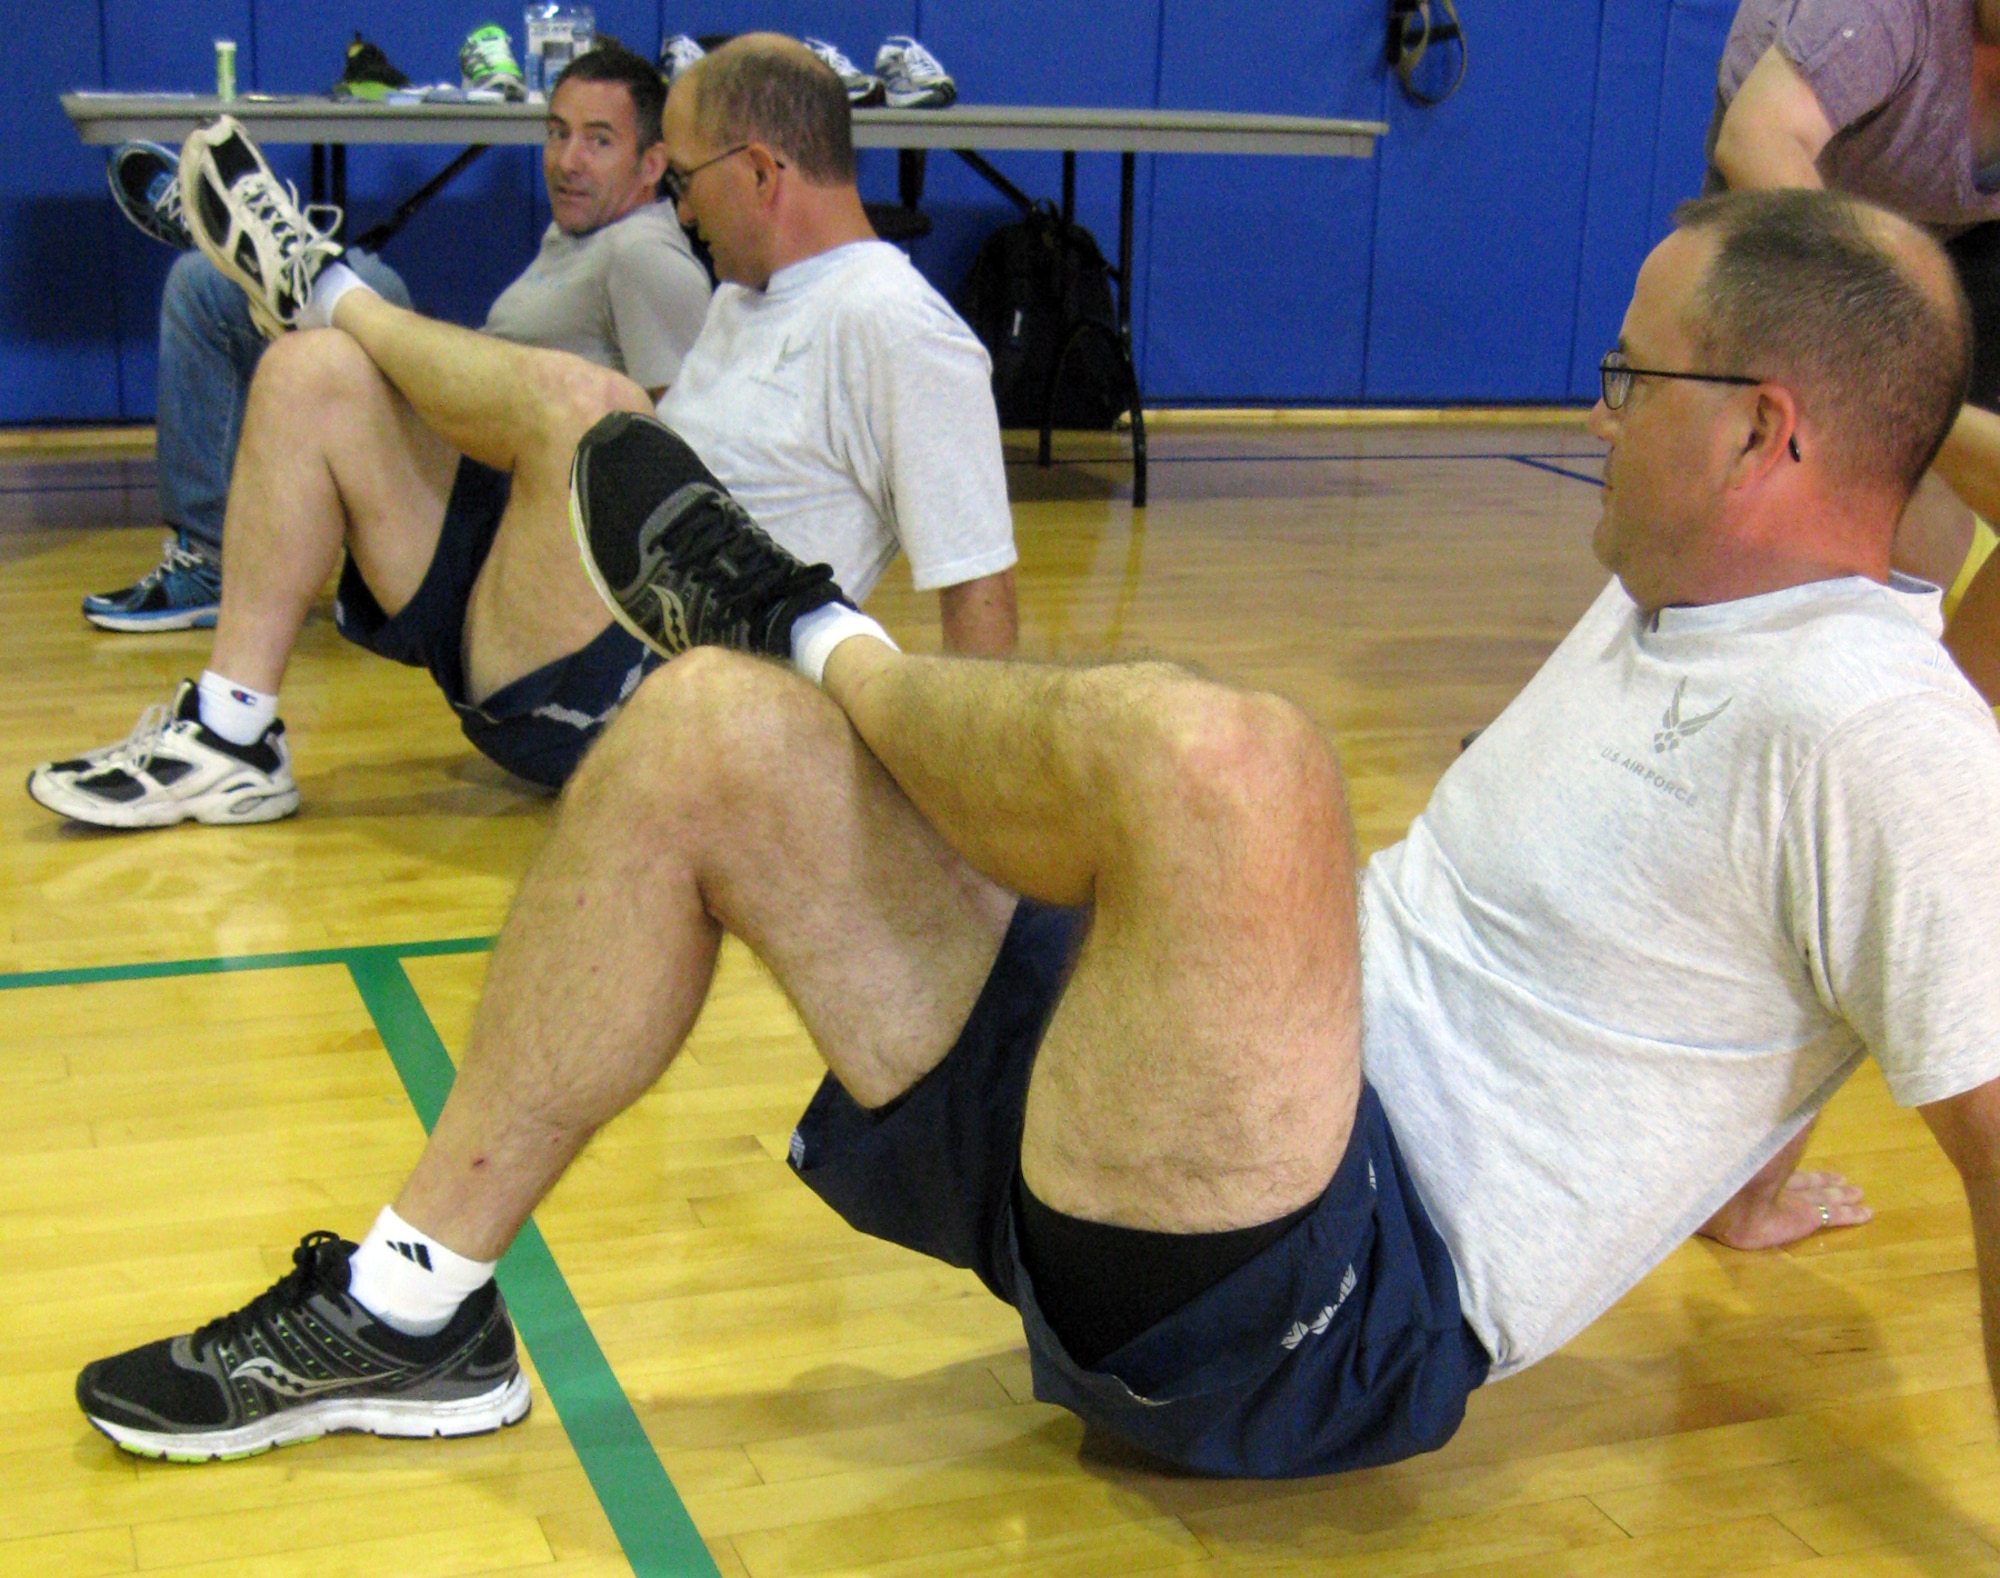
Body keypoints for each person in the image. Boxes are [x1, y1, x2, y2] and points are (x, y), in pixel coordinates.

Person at [73, 188, 2000, 1478]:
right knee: (704, 732)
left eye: (1634, 377)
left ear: (1766, 433)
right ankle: (409, 1304)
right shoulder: (1697, 595)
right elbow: (1777, 931)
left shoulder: (1879, 731)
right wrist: (1744, 1162)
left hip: (1320, 1311)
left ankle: (808, 622)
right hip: (1177, 1119)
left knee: (1237, 764)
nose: (1598, 404)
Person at [30, 35, 1017, 828]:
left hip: (648, 695)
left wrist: (976, 815)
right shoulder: (745, 296)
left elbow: (980, 590)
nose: (679, 205)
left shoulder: (903, 327)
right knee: (311, 373)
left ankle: (323, 284)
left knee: (598, 413)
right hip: (545, 623)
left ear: (760, 172)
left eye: (683, 177)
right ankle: (229, 734)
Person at [84, 40, 710, 635]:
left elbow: (681, 460)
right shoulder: (587, 232)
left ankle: (264, 259)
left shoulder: (645, 256)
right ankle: (262, 263)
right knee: (245, 290)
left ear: (652, 164)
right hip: (461, 434)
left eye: (599, 141)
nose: (567, 161)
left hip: (482, 503)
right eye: (557, 133)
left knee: (275, 292)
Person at [1706, 0, 2000, 695]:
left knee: (1959, 462)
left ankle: (1944, 723)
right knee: (1743, 465)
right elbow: (1757, 138)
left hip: (1973, 228)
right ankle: (1650, 698)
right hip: (1800, 177)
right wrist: (1883, 335)